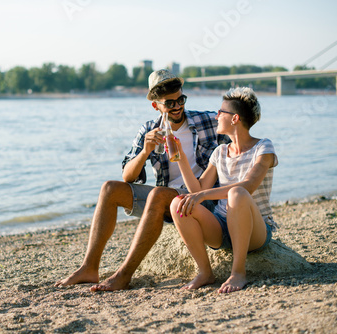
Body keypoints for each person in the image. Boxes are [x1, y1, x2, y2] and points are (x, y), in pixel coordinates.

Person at [55, 69, 229, 291]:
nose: (177, 107)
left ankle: (124, 275)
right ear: (156, 105)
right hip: (165, 201)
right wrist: (145, 151)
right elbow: (128, 176)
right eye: (169, 103)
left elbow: (237, 130)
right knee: (109, 188)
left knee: (158, 194)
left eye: (181, 100)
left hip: (201, 200)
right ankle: (89, 267)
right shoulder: (149, 129)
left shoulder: (206, 120)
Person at [169, 87, 278, 293]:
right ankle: (205, 273)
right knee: (179, 203)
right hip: (221, 228)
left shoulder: (264, 148)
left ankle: (238, 273)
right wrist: (181, 157)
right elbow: (198, 188)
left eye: (221, 112)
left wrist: (202, 195)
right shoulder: (219, 152)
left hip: (255, 231)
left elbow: (247, 186)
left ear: (235, 118)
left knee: (237, 193)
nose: (216, 115)